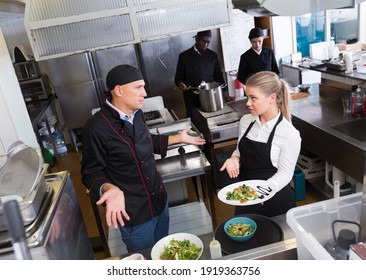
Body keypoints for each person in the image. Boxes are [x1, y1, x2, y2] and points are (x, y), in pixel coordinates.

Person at [80, 64, 206, 253]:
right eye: (138, 87)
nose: (145, 93)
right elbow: (90, 172)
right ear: (119, 90)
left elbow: (146, 141)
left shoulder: (137, 114)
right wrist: (110, 188)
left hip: (158, 200)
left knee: (164, 253)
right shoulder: (95, 128)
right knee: (145, 260)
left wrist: (178, 138)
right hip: (134, 213)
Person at [220, 71, 301, 217]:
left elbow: (286, 174)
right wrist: (234, 158)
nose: (247, 103)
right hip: (245, 196)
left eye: (253, 98)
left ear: (272, 98)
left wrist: (265, 190)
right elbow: (240, 149)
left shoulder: (289, 134)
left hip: (274, 200)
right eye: (247, 97)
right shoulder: (246, 121)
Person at [175, 30, 227, 118]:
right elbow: (178, 78)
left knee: (210, 119)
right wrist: (181, 85)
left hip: (210, 96)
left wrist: (225, 95)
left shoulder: (212, 55)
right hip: (192, 98)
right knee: (195, 121)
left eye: (208, 42)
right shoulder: (184, 56)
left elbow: (219, 76)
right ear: (196, 39)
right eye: (203, 41)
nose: (206, 44)